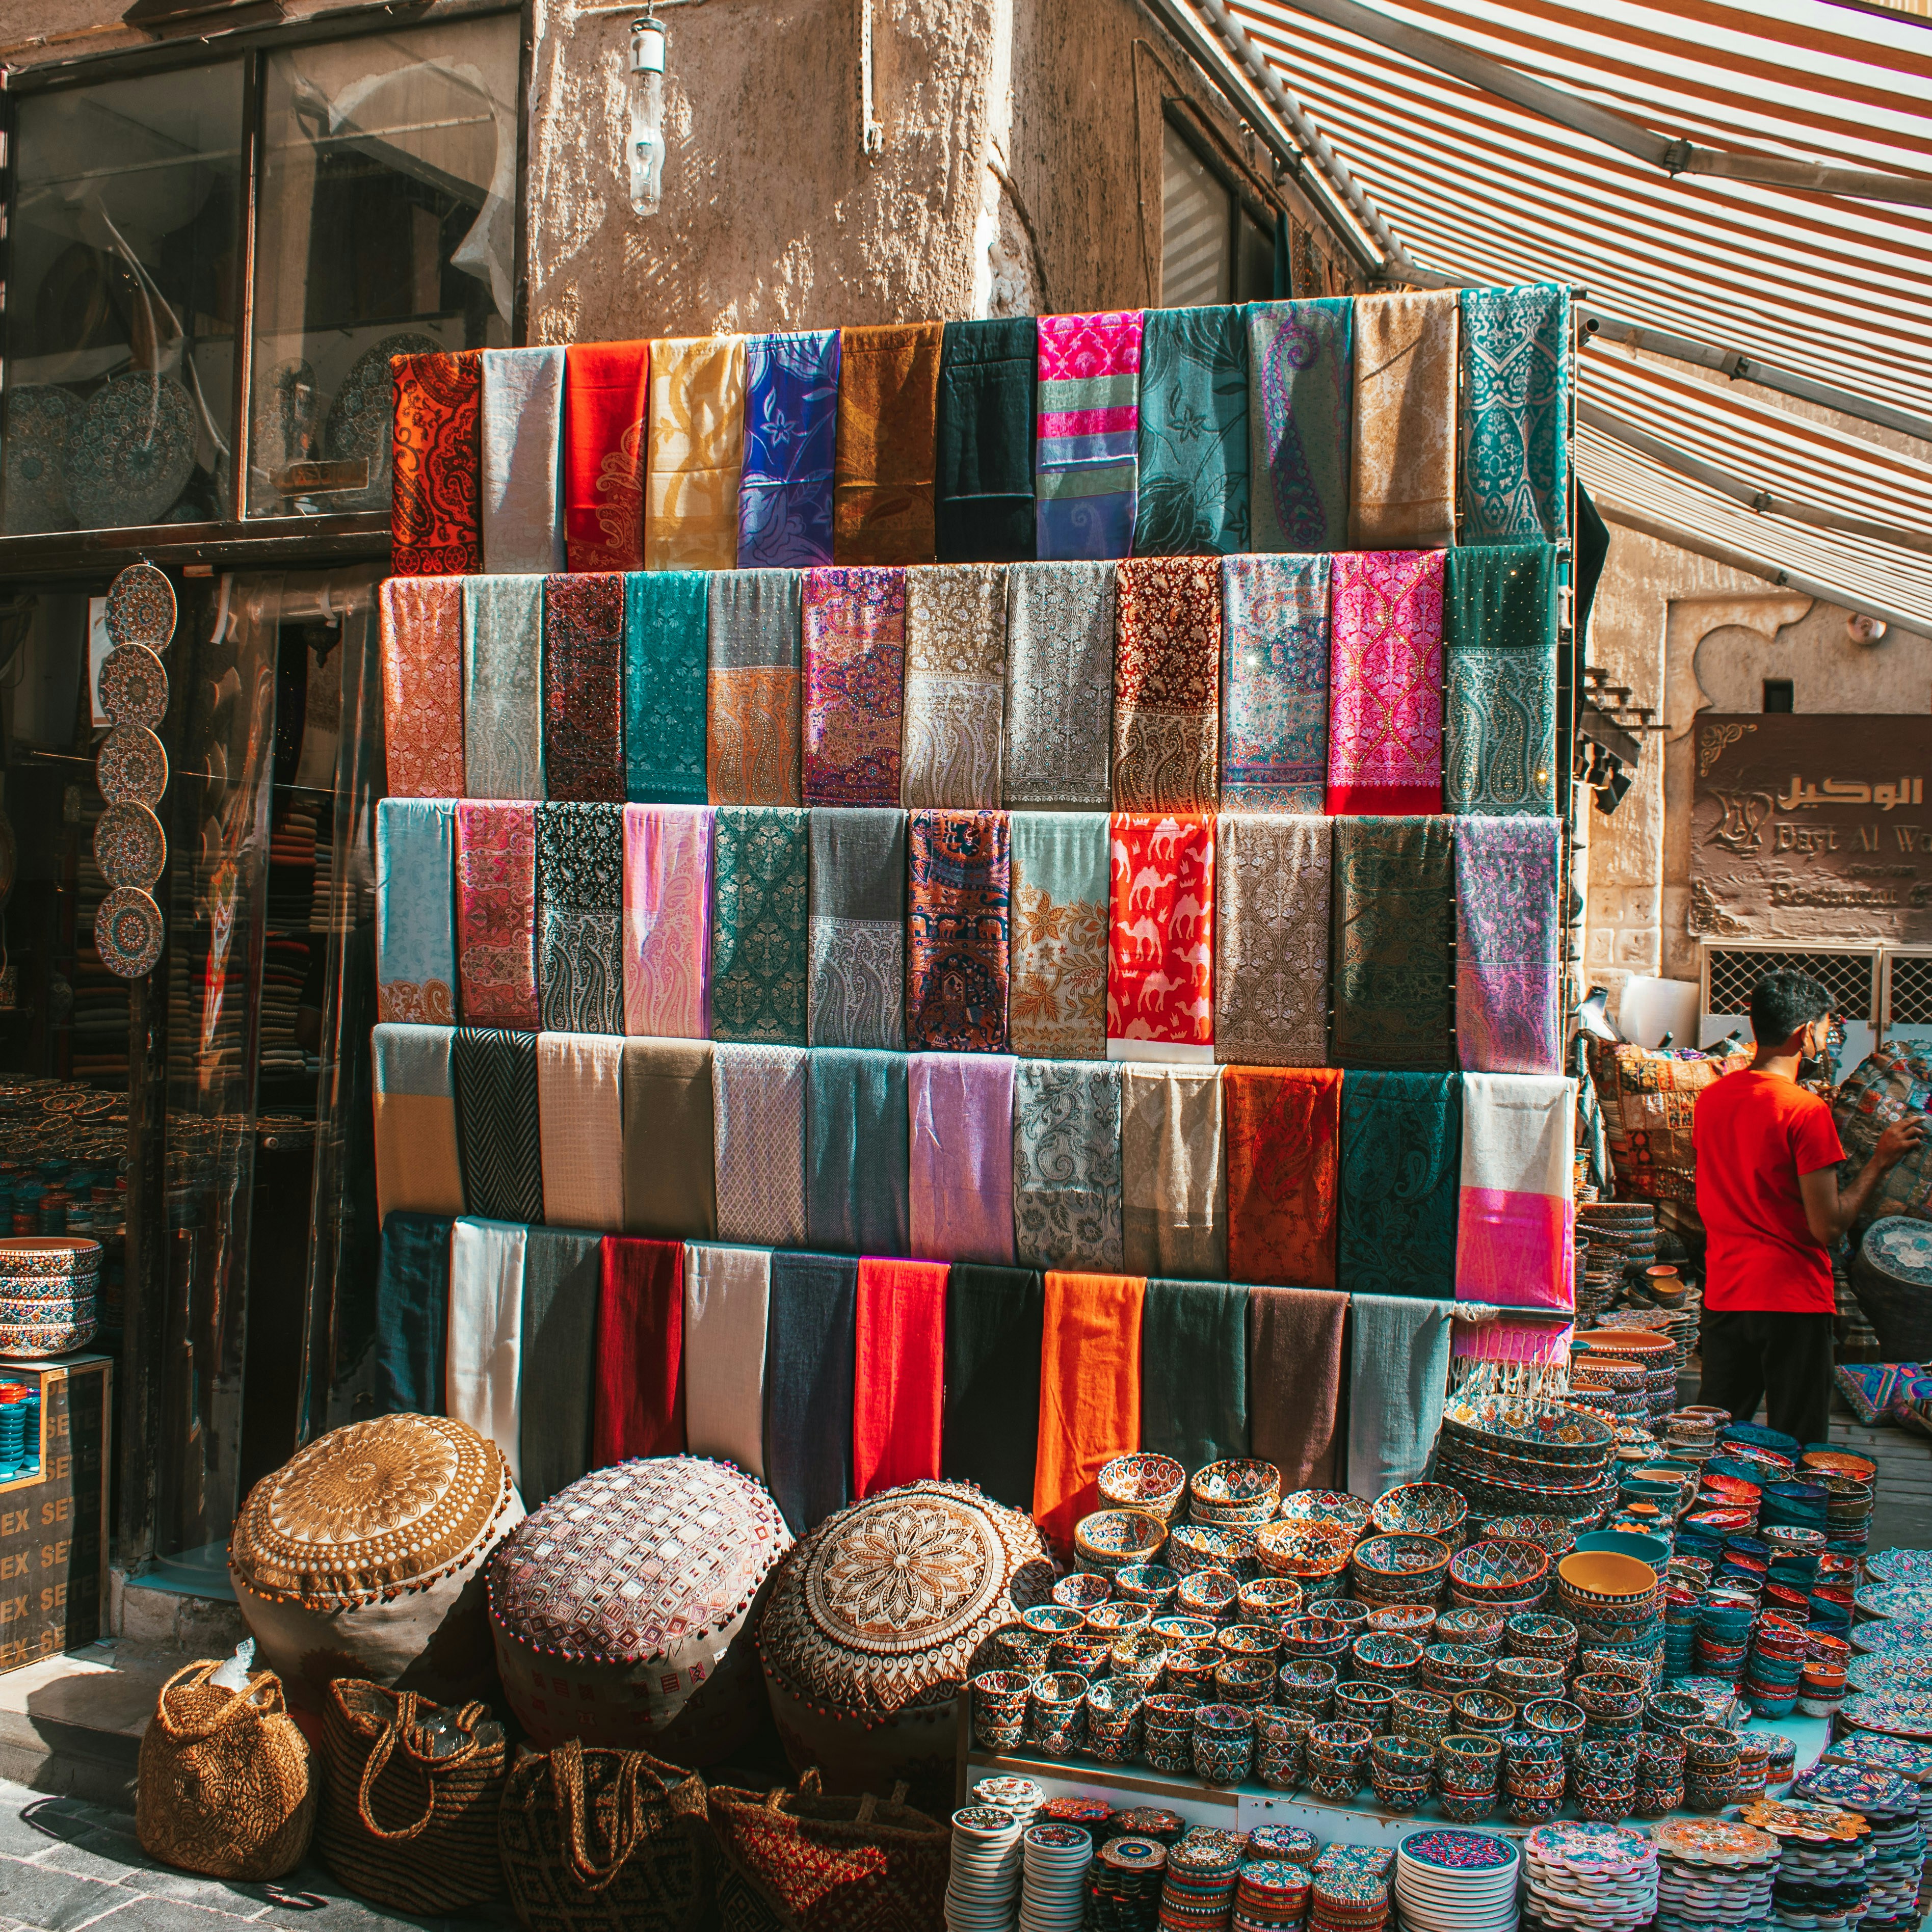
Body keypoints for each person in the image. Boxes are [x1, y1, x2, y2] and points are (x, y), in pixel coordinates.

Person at [1693, 967, 1926, 1444]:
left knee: (1712, 1440)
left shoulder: (1712, 1100)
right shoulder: (1803, 1111)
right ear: (1804, 1033)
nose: (1828, 1038)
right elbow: (1828, 1227)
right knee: (1796, 1444)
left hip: (1724, 1291)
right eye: (1826, 1028)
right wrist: (1879, 1161)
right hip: (1789, 1299)